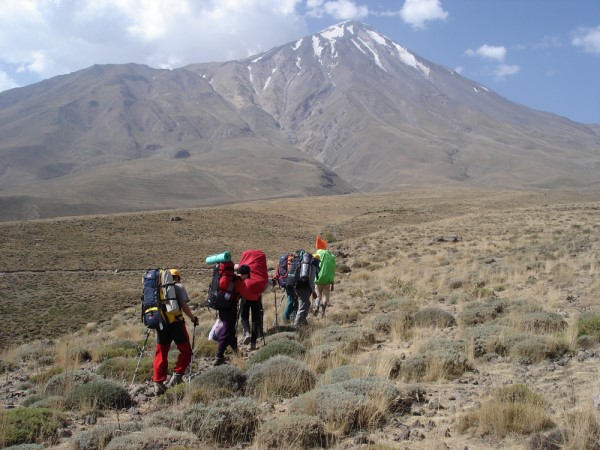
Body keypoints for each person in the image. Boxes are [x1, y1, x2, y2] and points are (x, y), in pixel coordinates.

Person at [153, 269, 199, 396]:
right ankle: (176, 378)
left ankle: (158, 384)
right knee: (186, 351)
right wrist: (192, 318)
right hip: (176, 324)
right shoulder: (178, 287)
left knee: (161, 353)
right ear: (177, 277)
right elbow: (184, 305)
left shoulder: (157, 288)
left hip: (161, 324)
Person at [213, 261, 254, 366]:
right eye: (247, 276)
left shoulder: (230, 278)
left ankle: (237, 354)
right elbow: (248, 295)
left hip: (221, 305)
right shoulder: (238, 281)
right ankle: (218, 356)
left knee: (230, 330)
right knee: (227, 330)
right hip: (230, 308)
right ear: (245, 274)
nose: (247, 278)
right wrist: (257, 296)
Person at [293, 250, 319, 327]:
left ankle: (303, 321)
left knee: (307, 304)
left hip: (298, 286)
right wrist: (313, 291)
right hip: (305, 287)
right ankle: (296, 325)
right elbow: (311, 280)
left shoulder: (302, 264)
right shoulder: (313, 266)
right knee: (303, 306)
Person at [313, 247, 336, 317]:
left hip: (318, 279)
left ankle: (317, 306)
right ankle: (323, 310)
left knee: (317, 295)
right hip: (327, 280)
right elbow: (332, 271)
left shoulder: (318, 254)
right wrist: (332, 284)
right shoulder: (330, 257)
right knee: (325, 295)